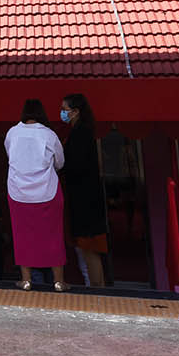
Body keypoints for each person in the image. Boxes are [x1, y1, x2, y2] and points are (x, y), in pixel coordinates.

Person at [4, 99, 66, 291]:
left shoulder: (12, 133)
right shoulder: (49, 134)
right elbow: (60, 162)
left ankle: (26, 280)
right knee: (53, 235)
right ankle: (58, 281)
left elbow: (10, 156)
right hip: (47, 190)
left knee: (22, 235)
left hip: (18, 191)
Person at [59, 93, 109, 287]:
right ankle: (99, 288)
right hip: (87, 199)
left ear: (76, 112)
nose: (62, 113)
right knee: (88, 249)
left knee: (89, 249)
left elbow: (76, 166)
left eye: (65, 109)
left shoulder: (80, 134)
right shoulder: (83, 132)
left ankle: (98, 292)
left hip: (85, 201)